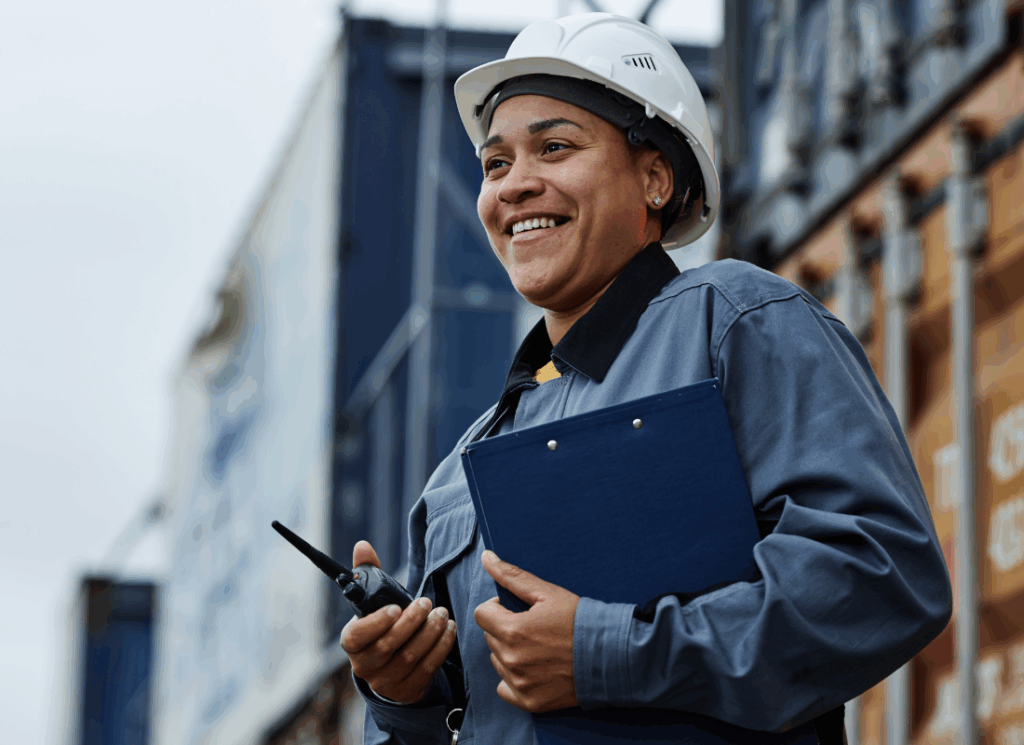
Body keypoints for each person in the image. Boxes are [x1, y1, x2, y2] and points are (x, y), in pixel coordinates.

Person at [340, 12, 953, 745]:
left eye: (555, 147)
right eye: (495, 164)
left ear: (655, 177)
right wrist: (403, 697)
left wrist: (604, 653)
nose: (515, 186)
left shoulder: (734, 325)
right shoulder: (455, 478)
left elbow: (881, 575)